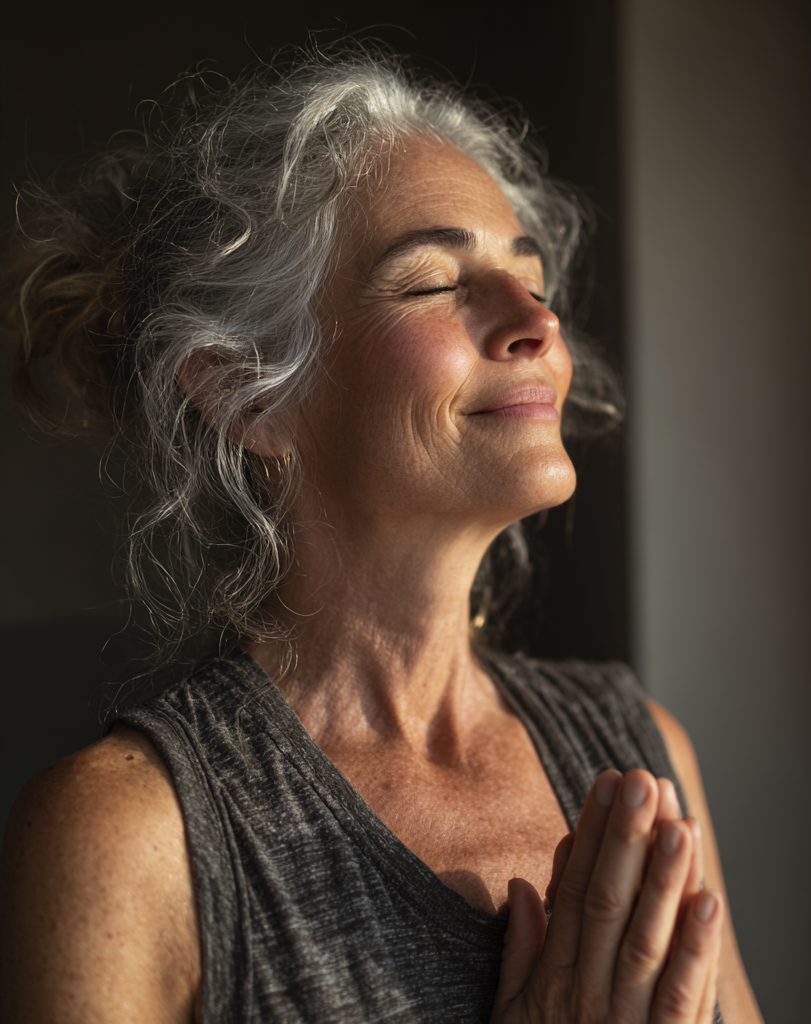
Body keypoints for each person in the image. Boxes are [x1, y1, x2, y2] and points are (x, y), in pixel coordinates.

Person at [0, 48, 762, 1024]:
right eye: (435, 283)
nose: (535, 321)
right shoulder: (125, 837)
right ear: (244, 391)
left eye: (533, 281)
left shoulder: (643, 750)